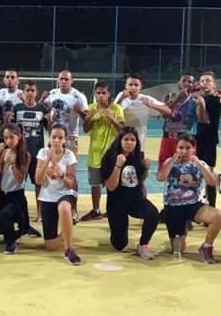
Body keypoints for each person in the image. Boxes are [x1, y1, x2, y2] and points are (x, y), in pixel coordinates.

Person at [157, 133, 221, 263]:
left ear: (194, 148)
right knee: (179, 250)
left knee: (218, 216)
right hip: (173, 207)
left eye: (188, 148)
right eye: (181, 148)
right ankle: (182, 229)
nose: (184, 151)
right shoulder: (170, 162)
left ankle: (206, 247)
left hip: (193, 205)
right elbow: (160, 178)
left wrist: (199, 164)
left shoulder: (200, 163)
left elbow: (212, 182)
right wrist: (171, 161)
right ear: (176, 148)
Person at [100, 126, 160, 260]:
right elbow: (111, 187)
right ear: (119, 140)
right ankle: (117, 232)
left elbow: (139, 181)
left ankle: (143, 245)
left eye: (133, 140)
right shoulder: (110, 156)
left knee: (153, 214)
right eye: (126, 139)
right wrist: (118, 166)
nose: (129, 143)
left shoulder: (138, 156)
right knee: (120, 244)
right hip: (116, 202)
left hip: (135, 199)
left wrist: (146, 169)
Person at [35, 124, 82, 265]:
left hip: (66, 194)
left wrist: (62, 175)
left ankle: (69, 249)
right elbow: (38, 180)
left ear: (65, 139)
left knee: (63, 207)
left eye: (60, 138)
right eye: (54, 137)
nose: (56, 140)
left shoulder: (69, 155)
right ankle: (68, 228)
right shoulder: (43, 153)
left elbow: (71, 184)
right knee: (51, 246)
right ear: (49, 137)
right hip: (48, 197)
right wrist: (48, 160)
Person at [81, 81, 124, 221]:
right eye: (98, 93)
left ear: (109, 94)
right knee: (95, 184)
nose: (101, 96)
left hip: (111, 154)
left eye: (103, 93)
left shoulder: (116, 108)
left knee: (113, 185)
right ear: (94, 93)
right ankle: (96, 210)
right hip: (94, 153)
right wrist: (90, 117)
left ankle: (113, 210)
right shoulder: (91, 108)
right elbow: (85, 129)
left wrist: (111, 118)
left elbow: (122, 130)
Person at [0, 123, 34, 254]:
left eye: (12, 137)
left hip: (16, 195)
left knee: (5, 215)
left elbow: (20, 179)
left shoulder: (25, 155)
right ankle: (16, 233)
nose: (9, 141)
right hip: (3, 194)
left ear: (19, 137)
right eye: (6, 138)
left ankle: (11, 242)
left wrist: (12, 165)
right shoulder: (4, 152)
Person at [14, 80, 48, 222]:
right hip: (20, 152)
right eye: (27, 90)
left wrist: (50, 120)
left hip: (36, 153)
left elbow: (50, 129)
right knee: (18, 184)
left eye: (32, 90)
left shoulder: (42, 109)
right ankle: (19, 213)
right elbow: (12, 130)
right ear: (23, 92)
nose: (29, 93)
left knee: (38, 183)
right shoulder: (17, 108)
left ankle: (40, 213)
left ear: (36, 92)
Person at [195, 71, 221, 207]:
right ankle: (193, 204)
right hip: (195, 141)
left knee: (209, 175)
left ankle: (211, 207)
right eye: (202, 81)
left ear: (214, 84)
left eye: (208, 81)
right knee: (193, 173)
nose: (205, 83)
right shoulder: (196, 99)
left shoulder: (216, 98)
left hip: (209, 141)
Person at [114, 73, 171, 146]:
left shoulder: (146, 99)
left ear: (141, 87)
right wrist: (121, 98)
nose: (133, 87)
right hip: (121, 140)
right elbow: (113, 112)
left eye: (136, 85)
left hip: (138, 142)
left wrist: (151, 105)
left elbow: (168, 111)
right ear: (126, 86)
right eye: (130, 84)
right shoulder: (121, 96)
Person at [41, 70, 88, 155]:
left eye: (66, 79)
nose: (63, 81)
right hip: (54, 135)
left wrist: (79, 111)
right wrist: (42, 99)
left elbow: (87, 119)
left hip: (71, 136)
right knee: (52, 161)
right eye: (61, 79)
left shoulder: (79, 97)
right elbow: (39, 108)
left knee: (72, 162)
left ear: (72, 81)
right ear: (58, 80)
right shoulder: (52, 93)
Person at [158, 74, 201, 164]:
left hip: (187, 140)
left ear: (193, 85)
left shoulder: (195, 100)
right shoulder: (169, 96)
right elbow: (164, 116)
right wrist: (177, 99)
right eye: (184, 81)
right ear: (179, 83)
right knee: (165, 166)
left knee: (186, 167)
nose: (186, 83)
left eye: (190, 82)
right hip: (169, 137)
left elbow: (201, 119)